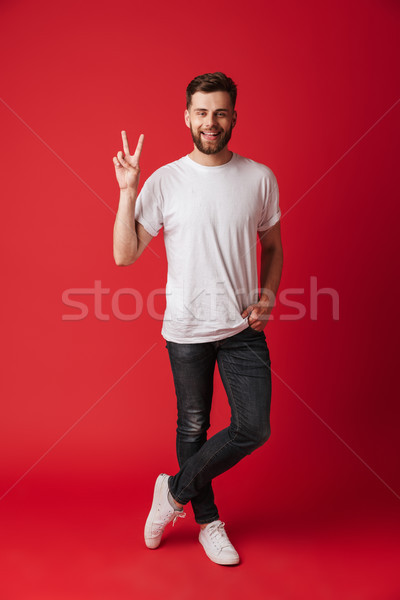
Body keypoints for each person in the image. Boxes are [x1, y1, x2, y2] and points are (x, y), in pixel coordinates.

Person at [112, 72, 283, 566]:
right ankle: (208, 522)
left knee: (254, 427)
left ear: (234, 117)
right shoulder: (165, 180)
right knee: (194, 426)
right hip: (185, 330)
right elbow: (125, 256)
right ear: (187, 116)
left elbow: (271, 246)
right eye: (202, 112)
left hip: (242, 328)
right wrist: (128, 191)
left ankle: (171, 493)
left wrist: (268, 295)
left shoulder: (260, 178)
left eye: (221, 112)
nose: (211, 122)